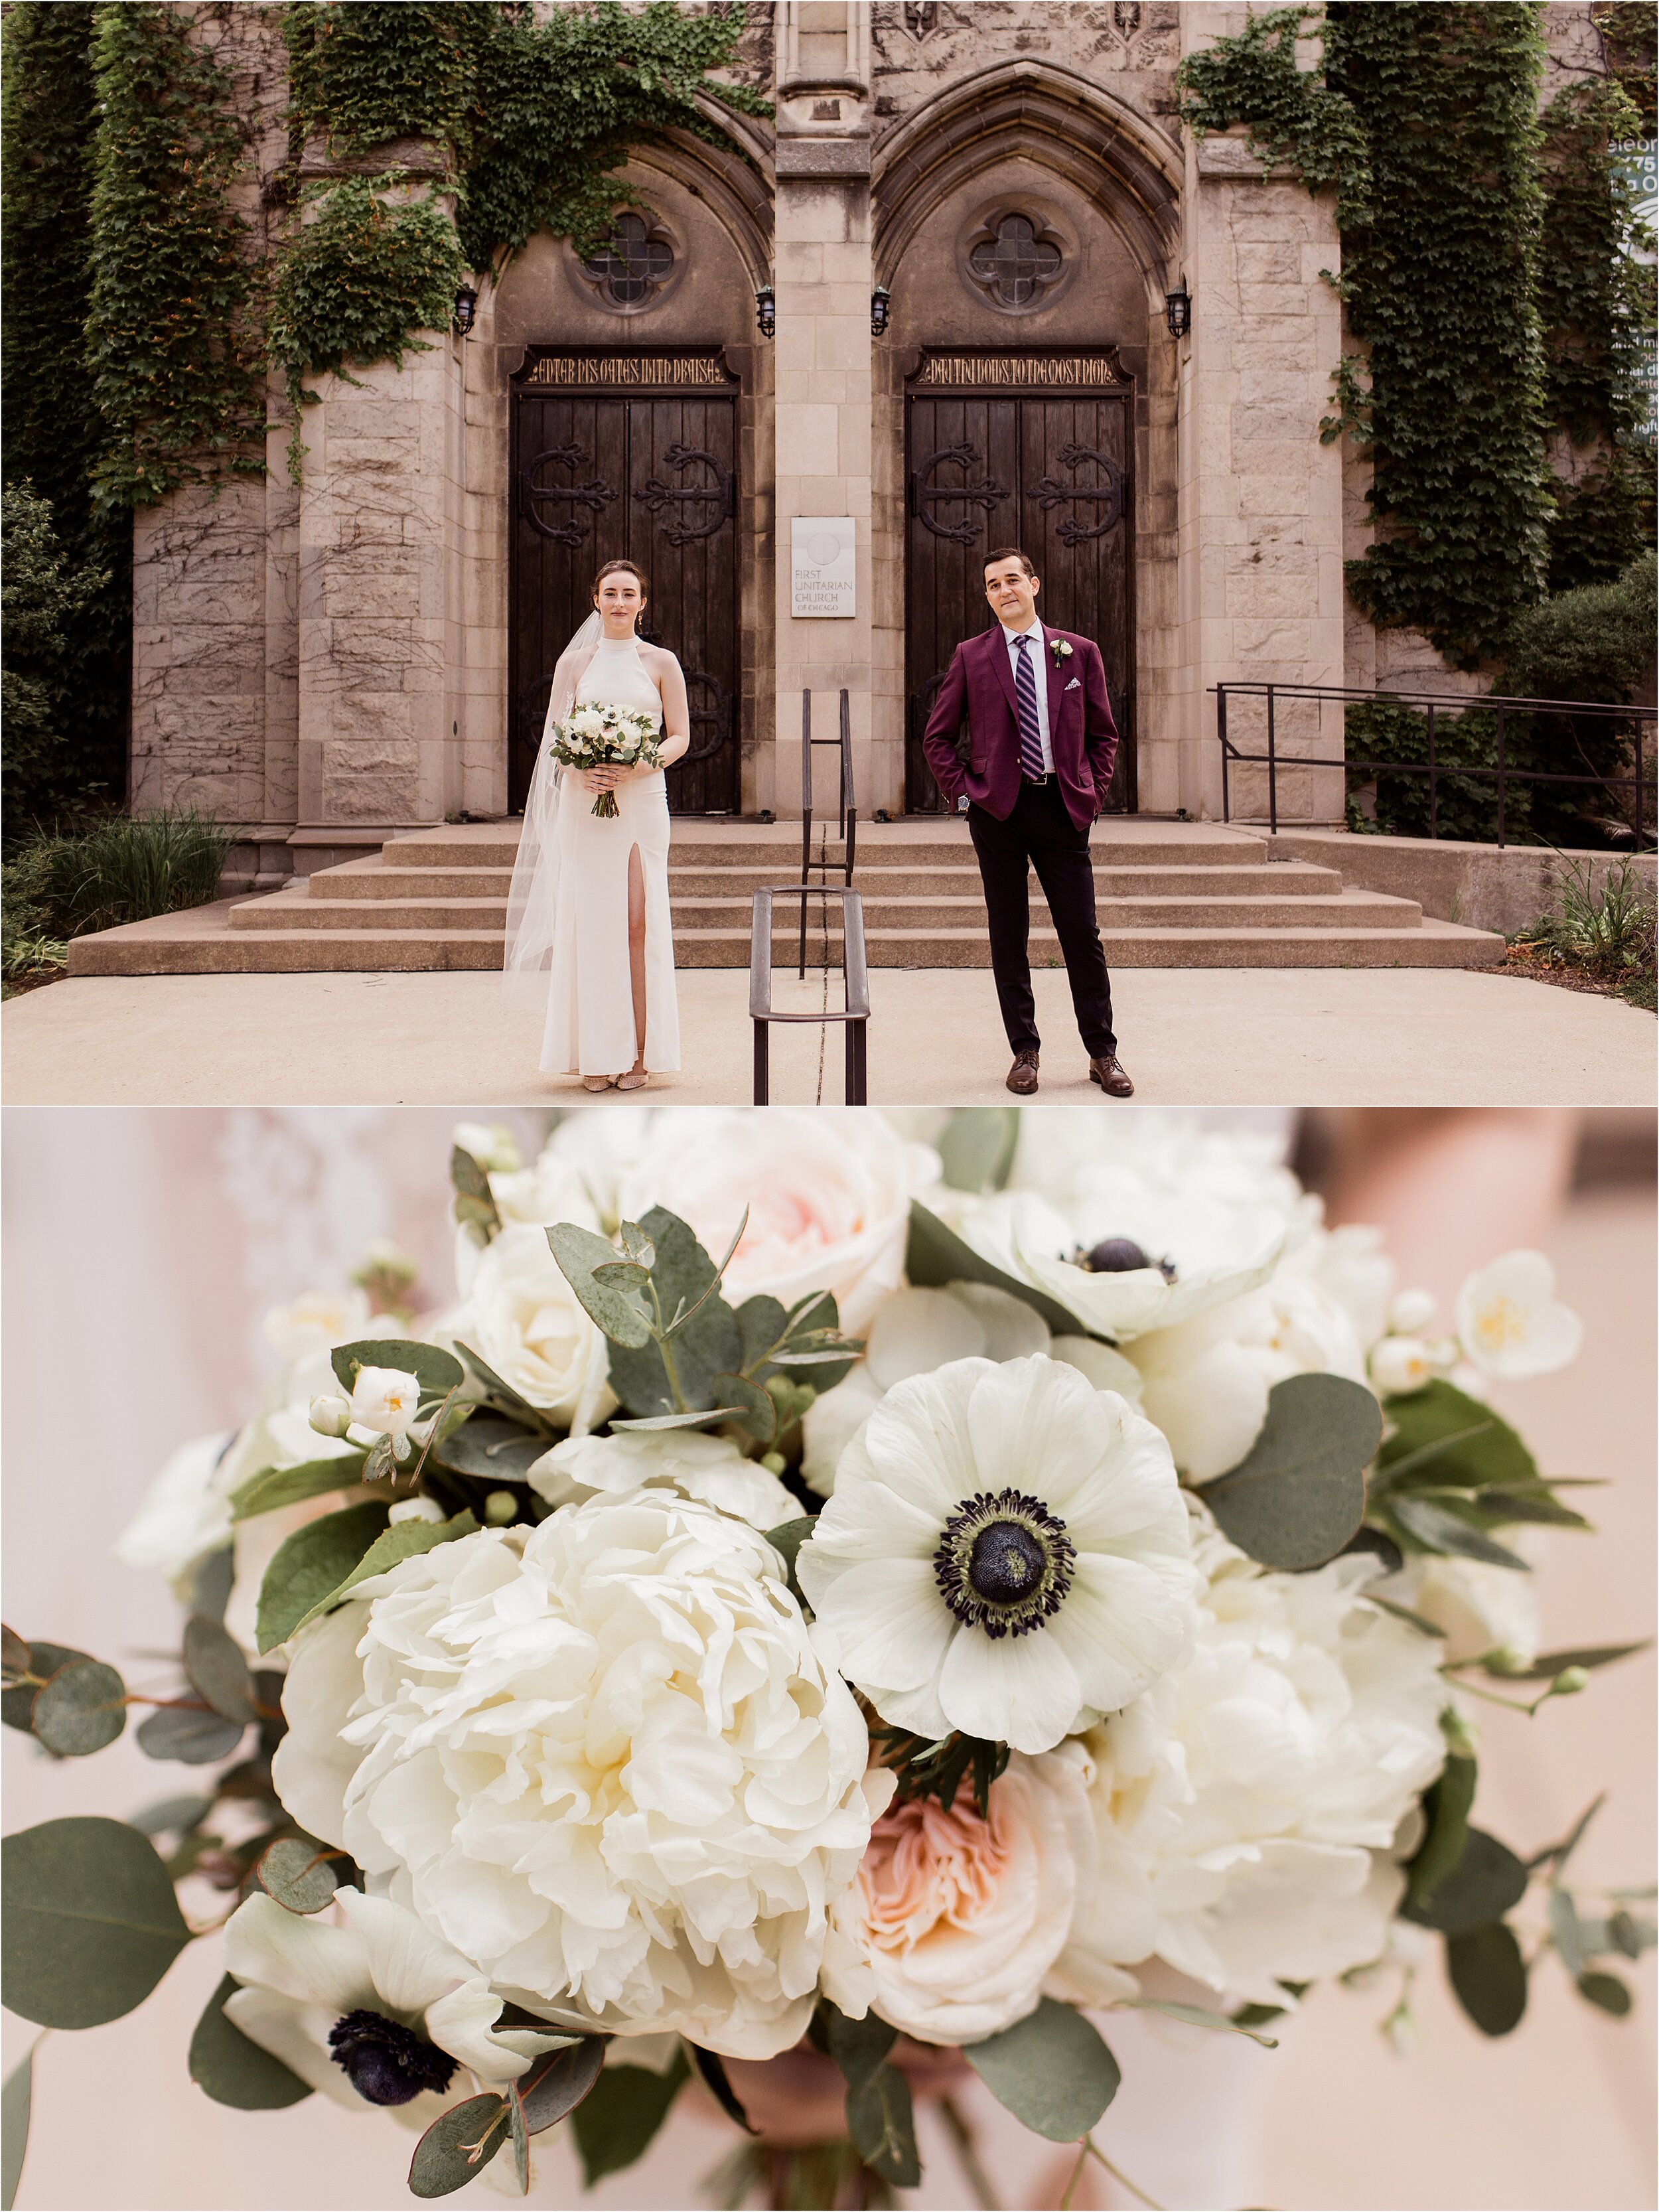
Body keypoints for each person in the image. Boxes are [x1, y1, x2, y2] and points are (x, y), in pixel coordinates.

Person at [921, 546, 1131, 1098]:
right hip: (999, 814)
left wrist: (1091, 794)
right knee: (1007, 935)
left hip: (1063, 810)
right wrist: (965, 795)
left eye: (1012, 579)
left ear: (1034, 585)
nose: (1003, 590)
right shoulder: (972, 655)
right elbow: (937, 737)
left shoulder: (1078, 653)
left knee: (1081, 935)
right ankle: (1025, 1051)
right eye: (992, 585)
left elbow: (1103, 734)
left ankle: (1102, 1052)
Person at [503, 560, 689, 1089]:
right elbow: (556, 742)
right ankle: (594, 1054)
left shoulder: (661, 663)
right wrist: (580, 766)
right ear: (596, 600)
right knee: (590, 927)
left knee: (636, 924)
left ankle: (636, 1054)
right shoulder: (574, 664)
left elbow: (679, 735)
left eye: (629, 594)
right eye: (610, 593)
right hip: (586, 806)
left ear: (643, 602)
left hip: (643, 801)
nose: (619, 603)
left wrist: (639, 761)